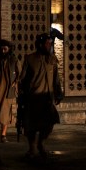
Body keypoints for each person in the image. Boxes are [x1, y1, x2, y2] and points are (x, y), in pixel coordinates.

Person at [17, 31, 64, 162]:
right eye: (47, 43)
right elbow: (22, 79)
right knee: (31, 126)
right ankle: (32, 148)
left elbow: (56, 79)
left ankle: (41, 143)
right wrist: (21, 94)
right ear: (40, 44)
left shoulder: (52, 59)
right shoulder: (30, 59)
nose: (49, 46)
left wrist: (58, 93)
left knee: (49, 123)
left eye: (50, 44)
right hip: (33, 98)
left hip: (47, 99)